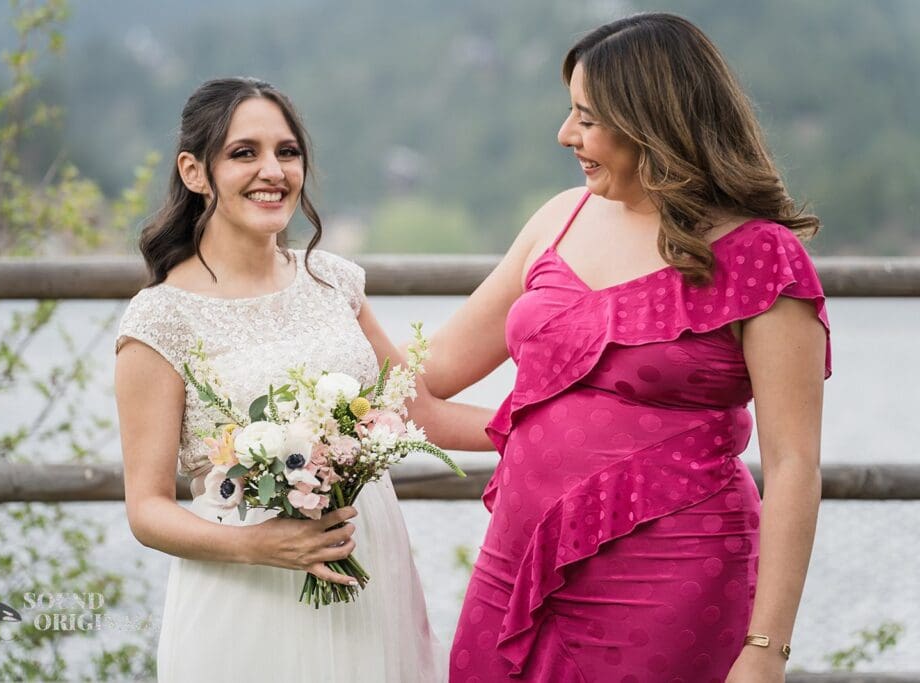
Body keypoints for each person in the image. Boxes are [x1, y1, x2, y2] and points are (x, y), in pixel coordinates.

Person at [418, 14, 830, 682]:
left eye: (587, 117)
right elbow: (429, 373)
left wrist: (765, 648)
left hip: (672, 577)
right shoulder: (560, 216)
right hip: (517, 562)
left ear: (652, 122)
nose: (565, 135)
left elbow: (793, 465)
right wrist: (326, 305)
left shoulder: (762, 257)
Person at [114, 77, 490, 682]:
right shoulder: (161, 319)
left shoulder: (333, 282)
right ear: (194, 171)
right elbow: (147, 508)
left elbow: (417, 408)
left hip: (368, 560)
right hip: (248, 591)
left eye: (287, 152)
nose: (274, 171)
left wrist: (548, 427)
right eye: (245, 153)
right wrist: (259, 546)